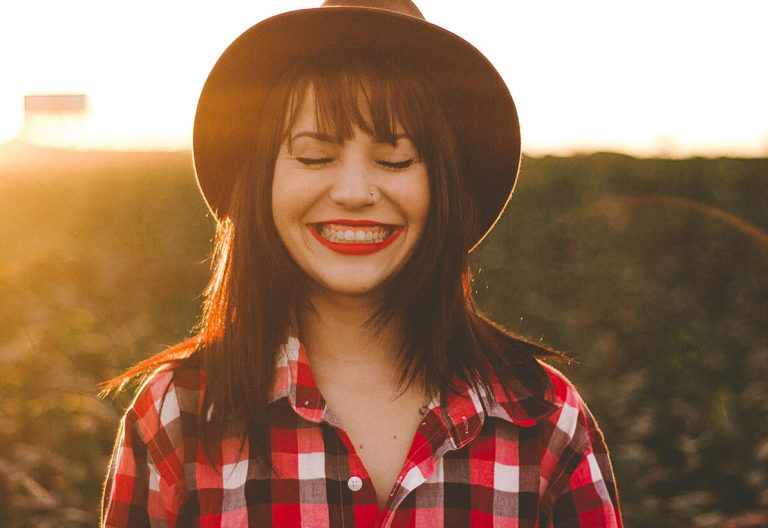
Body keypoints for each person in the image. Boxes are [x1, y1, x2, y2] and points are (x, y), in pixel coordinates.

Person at [100, 1, 622, 526]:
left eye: (395, 159)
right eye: (313, 156)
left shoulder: (542, 418)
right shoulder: (179, 416)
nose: (354, 193)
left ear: (444, 186)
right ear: (262, 182)